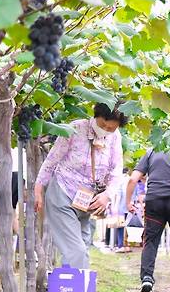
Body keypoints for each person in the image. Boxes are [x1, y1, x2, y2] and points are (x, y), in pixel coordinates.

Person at [34, 102, 127, 269]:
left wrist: (107, 195)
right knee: (76, 250)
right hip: (62, 193)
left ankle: (68, 291)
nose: (105, 130)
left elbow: (116, 171)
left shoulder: (115, 137)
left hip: (85, 201)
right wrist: (39, 188)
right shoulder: (75, 128)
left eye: (111, 128)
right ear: (96, 115)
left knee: (82, 246)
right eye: (102, 125)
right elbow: (52, 160)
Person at [126, 151, 170, 292]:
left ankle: (147, 277)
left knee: (150, 240)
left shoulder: (150, 152)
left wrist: (127, 201)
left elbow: (133, 179)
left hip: (154, 199)